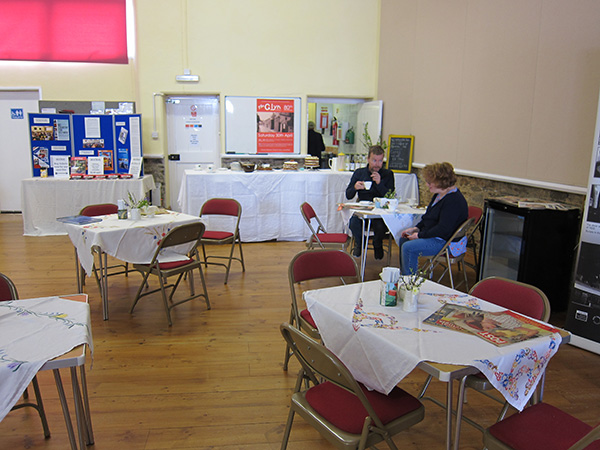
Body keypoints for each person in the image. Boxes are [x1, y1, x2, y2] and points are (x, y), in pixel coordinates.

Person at [398, 162, 468, 275]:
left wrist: (420, 235)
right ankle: (406, 275)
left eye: (430, 182)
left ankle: (409, 283)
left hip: (446, 242)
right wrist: (416, 229)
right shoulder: (439, 195)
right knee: (404, 240)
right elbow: (428, 218)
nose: (427, 184)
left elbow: (443, 229)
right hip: (438, 236)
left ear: (441, 182)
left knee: (408, 248)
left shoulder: (453, 201)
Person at [345, 145, 395, 260]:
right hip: (363, 210)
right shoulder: (359, 173)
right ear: (368, 159)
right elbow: (348, 195)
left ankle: (377, 244)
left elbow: (390, 197)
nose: (377, 164)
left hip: (380, 213)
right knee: (353, 222)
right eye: (374, 160)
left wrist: (379, 183)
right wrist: (355, 188)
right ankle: (360, 243)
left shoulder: (388, 174)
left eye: (380, 161)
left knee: (380, 226)